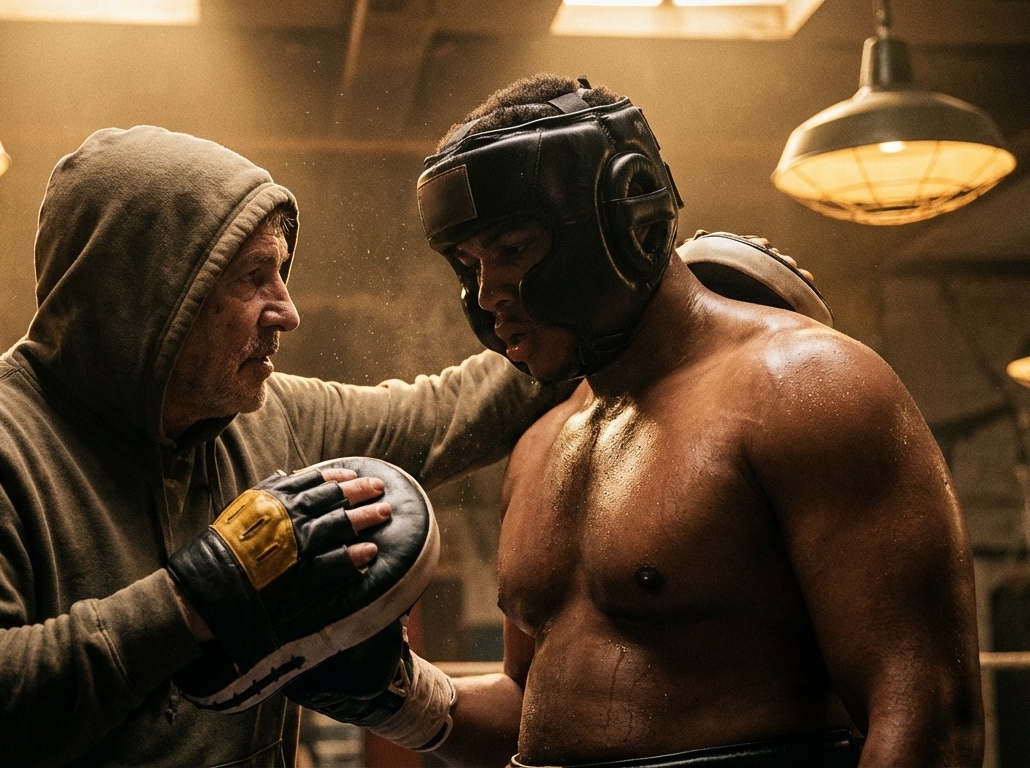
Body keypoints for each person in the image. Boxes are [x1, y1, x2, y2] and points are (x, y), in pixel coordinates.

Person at [290, 75, 984, 767]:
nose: (488, 292)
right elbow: (533, 711)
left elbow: (927, 723)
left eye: (514, 248)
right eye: (468, 264)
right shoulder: (542, 442)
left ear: (629, 217)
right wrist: (392, 693)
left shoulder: (807, 387)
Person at [0, 125, 570, 767]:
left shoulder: (268, 418)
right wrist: (189, 601)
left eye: (281, 273)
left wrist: (629, 278)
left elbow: (451, 412)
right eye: (254, 277)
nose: (287, 311)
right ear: (154, 291)